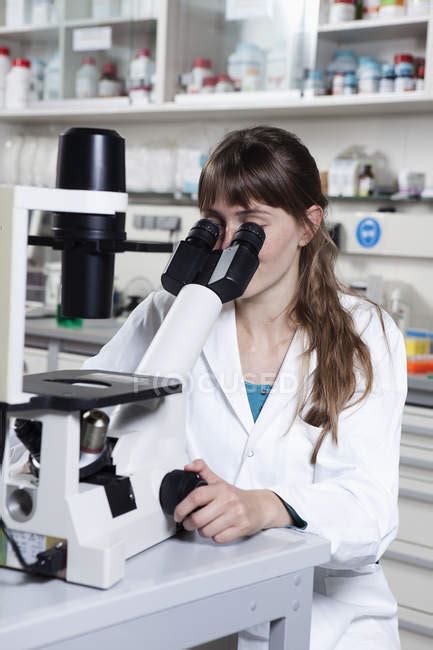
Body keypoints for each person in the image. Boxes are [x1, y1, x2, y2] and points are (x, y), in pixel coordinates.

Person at [83, 126, 407, 650]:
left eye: (251, 225)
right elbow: (85, 402)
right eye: (215, 223)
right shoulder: (169, 315)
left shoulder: (367, 334)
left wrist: (265, 506)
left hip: (331, 627)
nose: (230, 243)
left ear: (308, 225)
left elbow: (371, 511)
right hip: (196, 609)